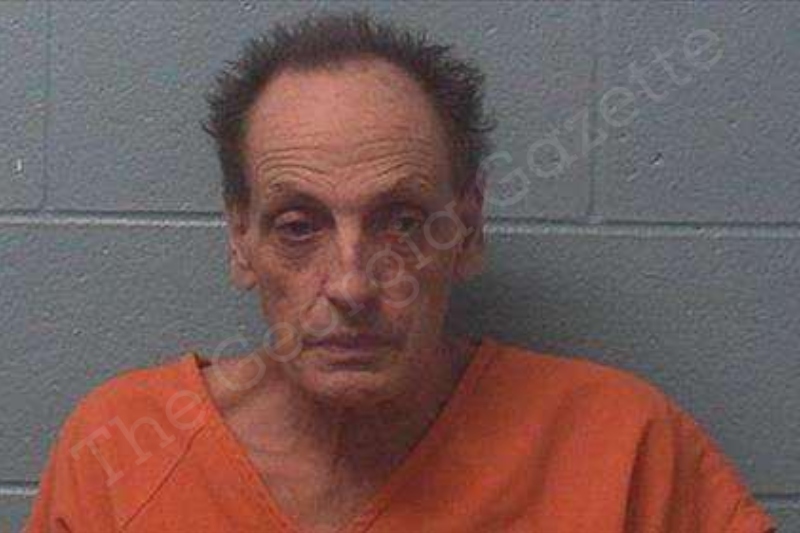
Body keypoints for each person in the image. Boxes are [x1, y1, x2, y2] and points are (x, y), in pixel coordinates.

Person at [26, 11, 774, 533]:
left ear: (467, 231)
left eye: (403, 222)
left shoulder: (619, 447)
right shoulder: (122, 449)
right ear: (240, 241)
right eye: (298, 227)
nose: (351, 284)